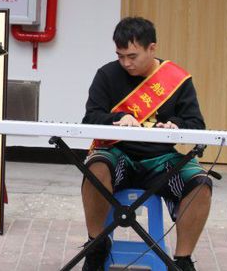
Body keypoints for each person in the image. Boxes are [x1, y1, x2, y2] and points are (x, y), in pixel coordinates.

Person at [80, 17, 212, 271]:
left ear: (152, 48)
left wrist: (176, 125)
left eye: (132, 56)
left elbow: (197, 124)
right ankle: (96, 246)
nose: (126, 63)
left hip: (162, 160)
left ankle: (183, 260)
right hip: (119, 154)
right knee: (95, 167)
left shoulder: (177, 79)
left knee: (201, 183)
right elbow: (90, 118)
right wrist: (117, 118)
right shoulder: (106, 75)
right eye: (120, 56)